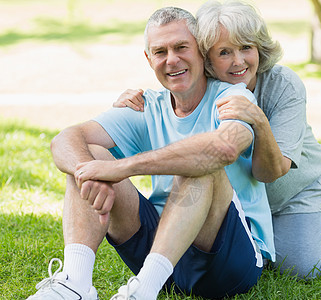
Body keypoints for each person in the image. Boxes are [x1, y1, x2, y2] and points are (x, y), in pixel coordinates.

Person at [27, 6, 275, 300]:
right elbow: (65, 139)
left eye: (182, 47)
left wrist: (123, 168)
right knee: (90, 154)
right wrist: (89, 172)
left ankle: (142, 292)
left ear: (201, 51)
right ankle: (75, 284)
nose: (172, 60)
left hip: (226, 261)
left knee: (199, 164)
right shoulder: (148, 105)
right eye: (160, 52)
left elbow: (223, 149)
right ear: (149, 59)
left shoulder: (233, 97)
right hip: (158, 255)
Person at [115, 0, 321, 280]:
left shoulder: (284, 85)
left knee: (301, 270)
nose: (238, 61)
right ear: (206, 58)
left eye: (246, 47)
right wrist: (134, 100)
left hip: (290, 191)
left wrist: (259, 120)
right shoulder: (204, 86)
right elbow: (173, 89)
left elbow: (271, 172)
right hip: (238, 197)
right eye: (225, 52)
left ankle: (314, 228)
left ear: (260, 48)